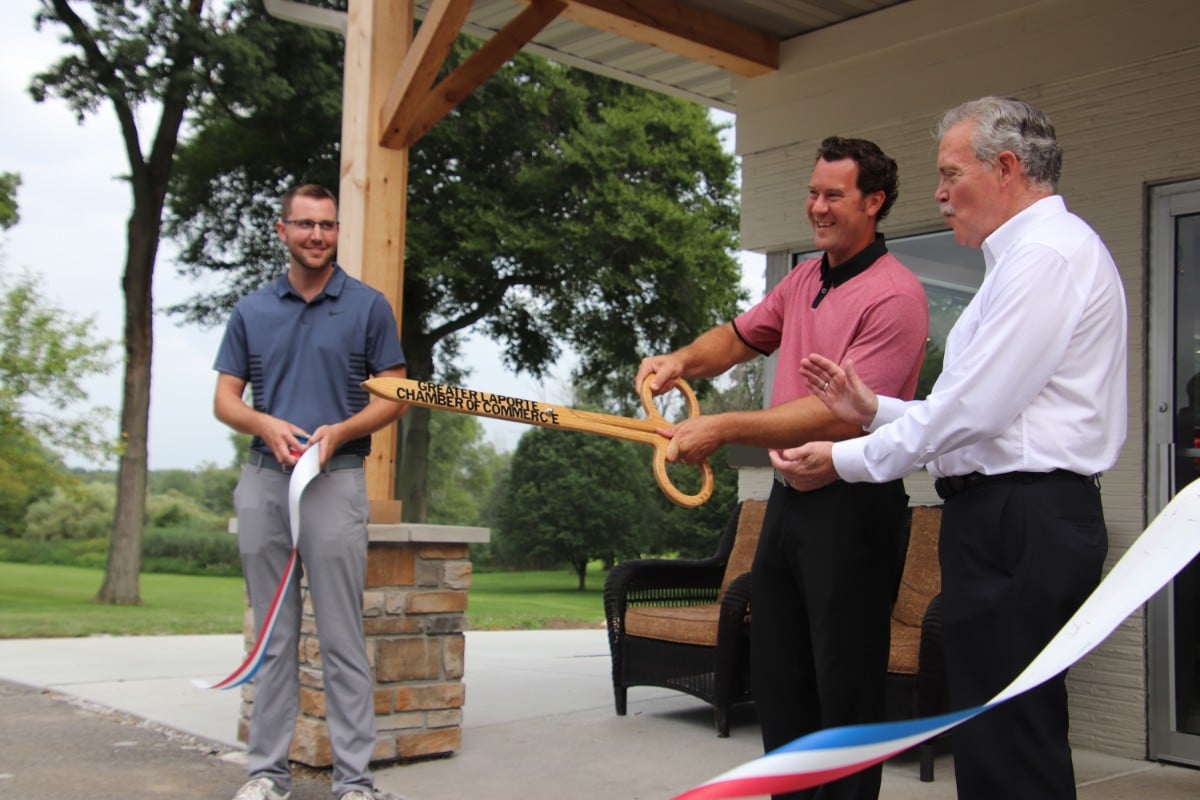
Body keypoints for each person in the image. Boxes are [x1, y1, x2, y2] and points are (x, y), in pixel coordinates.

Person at [774, 97, 1128, 799]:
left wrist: (844, 459)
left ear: (1006, 168)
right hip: (1004, 515)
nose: (937, 193)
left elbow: (973, 411)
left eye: (950, 174)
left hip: (1020, 518)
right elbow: (980, 412)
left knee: (1009, 747)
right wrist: (873, 411)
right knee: (999, 739)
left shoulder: (1045, 258)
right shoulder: (1022, 261)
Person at [636, 137, 929, 800]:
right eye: (813, 192)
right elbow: (738, 337)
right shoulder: (804, 279)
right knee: (781, 683)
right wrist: (681, 361)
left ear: (874, 202)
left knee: (845, 693)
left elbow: (839, 417)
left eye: (834, 195)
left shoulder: (897, 297)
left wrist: (724, 428)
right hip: (789, 505)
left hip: (855, 508)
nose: (817, 207)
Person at [213, 183, 408, 800]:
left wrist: (341, 432)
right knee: (274, 638)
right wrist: (264, 423)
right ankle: (267, 775)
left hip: (336, 479)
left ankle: (354, 782)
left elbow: (395, 394)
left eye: (326, 225)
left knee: (342, 635)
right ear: (283, 231)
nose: (316, 236)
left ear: (337, 232)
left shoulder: (368, 306)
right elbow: (225, 400)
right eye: (304, 225)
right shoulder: (251, 310)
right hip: (265, 481)